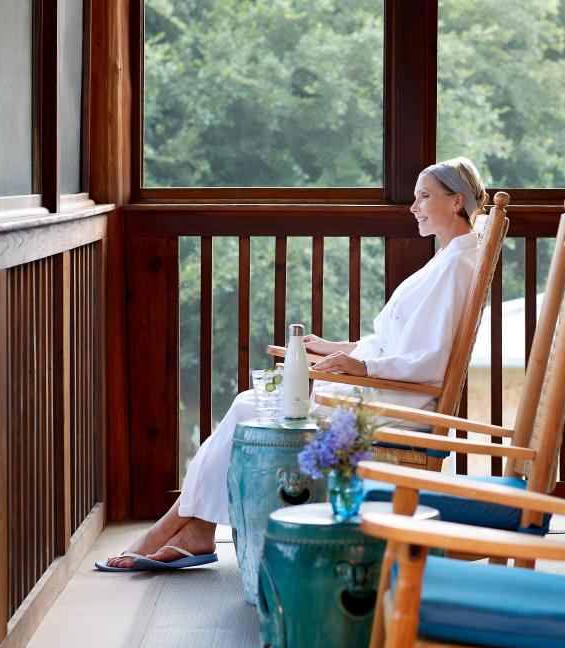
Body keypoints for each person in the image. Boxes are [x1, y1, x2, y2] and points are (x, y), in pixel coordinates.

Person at [98, 157, 489, 570]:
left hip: (396, 405)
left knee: (251, 406)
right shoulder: (450, 259)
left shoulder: (456, 266)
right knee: (251, 403)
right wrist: (334, 347)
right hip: (384, 387)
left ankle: (180, 529)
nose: (414, 207)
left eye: (424, 196)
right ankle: (194, 530)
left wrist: (362, 369)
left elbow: (429, 360)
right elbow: (396, 343)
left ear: (456, 200)